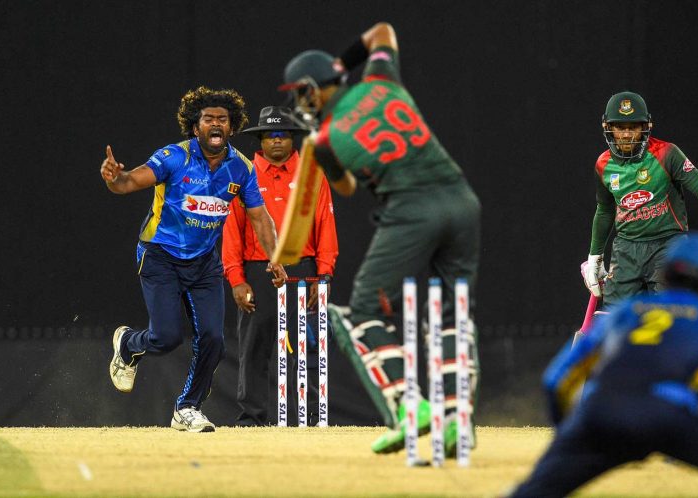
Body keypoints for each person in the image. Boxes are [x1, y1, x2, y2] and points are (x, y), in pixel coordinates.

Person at [279, 22, 481, 455]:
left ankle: (409, 407)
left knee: (362, 310)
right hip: (463, 201)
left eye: (300, 94)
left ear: (312, 89)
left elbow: (347, 187)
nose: (299, 103)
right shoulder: (382, 80)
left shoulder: (325, 141)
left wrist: (325, 154)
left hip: (412, 211)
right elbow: (383, 32)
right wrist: (343, 61)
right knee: (453, 313)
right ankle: (456, 421)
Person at [508, 235, 698, 498]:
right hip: (669, 417)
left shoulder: (622, 313)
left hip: (602, 414)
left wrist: (571, 431)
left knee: (533, 492)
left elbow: (555, 380)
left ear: (664, 275)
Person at [100, 86, 287, 433]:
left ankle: (187, 407)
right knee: (166, 337)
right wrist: (115, 178)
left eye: (223, 119)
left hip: (204, 263)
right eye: (208, 119)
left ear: (232, 126)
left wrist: (274, 258)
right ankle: (127, 344)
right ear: (194, 126)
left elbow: (260, 218)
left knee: (214, 340)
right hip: (160, 256)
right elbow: (129, 183)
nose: (216, 124)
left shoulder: (241, 168)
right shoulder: (175, 157)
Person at [222, 106, 338, 427]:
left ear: (292, 139)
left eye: (283, 135)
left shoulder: (312, 175)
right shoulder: (244, 174)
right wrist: (236, 279)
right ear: (260, 139)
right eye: (270, 135)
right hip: (258, 272)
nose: (276, 141)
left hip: (303, 271)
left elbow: (325, 227)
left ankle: (310, 416)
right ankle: (252, 419)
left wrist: (323, 276)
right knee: (254, 349)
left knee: (306, 348)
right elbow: (231, 232)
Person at [582, 91, 698, 306]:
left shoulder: (667, 153)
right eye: (620, 128)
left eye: (633, 127)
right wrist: (594, 257)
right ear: (608, 128)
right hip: (626, 249)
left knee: (668, 313)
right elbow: (604, 210)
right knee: (614, 317)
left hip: (668, 245)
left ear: (646, 126)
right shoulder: (603, 164)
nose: (626, 135)